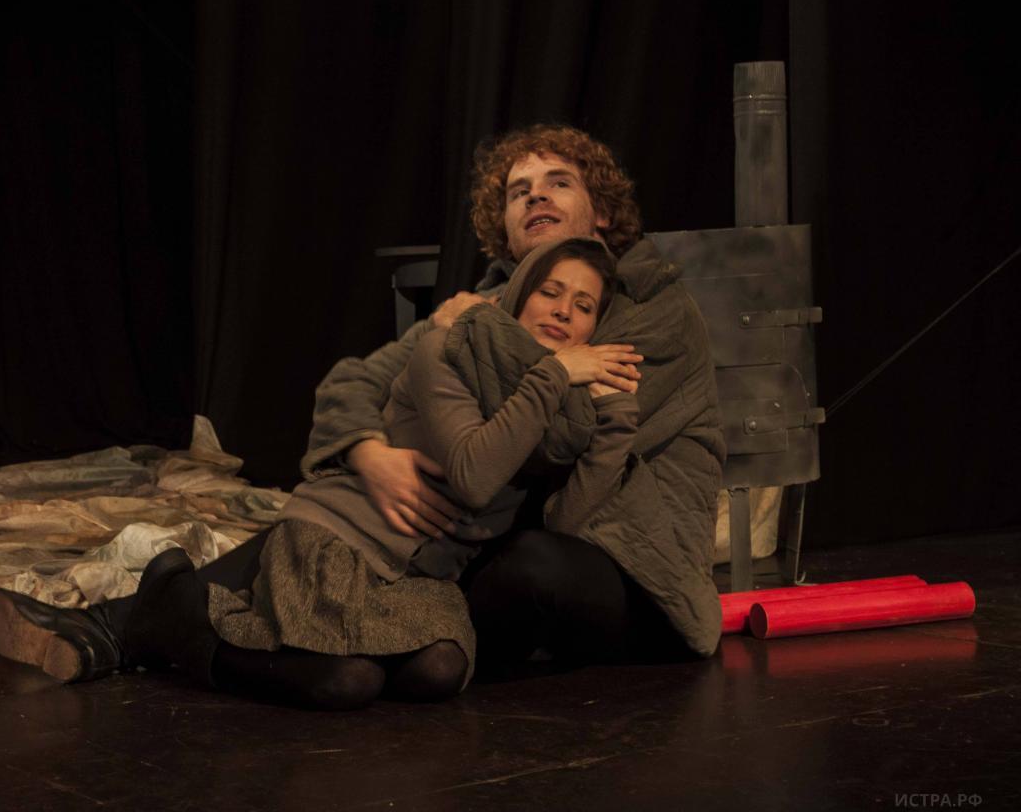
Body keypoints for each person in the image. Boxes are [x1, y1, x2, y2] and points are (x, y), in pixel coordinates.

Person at [0, 237, 640, 709]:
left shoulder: (569, 406)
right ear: (519, 295)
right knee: (346, 682)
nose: (564, 310)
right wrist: (368, 449)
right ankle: (165, 617)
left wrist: (615, 419)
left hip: (419, 572)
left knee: (437, 671)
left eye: (584, 305)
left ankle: (164, 614)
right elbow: (460, 465)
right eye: (550, 292)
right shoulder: (454, 342)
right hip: (343, 535)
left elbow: (568, 524)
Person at [303, 123, 725, 669]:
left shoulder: (652, 306)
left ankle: (375, 650)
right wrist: (370, 454)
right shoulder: (487, 306)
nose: (535, 196)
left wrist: (474, 331)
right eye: (518, 191)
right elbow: (352, 381)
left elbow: (560, 437)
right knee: (329, 548)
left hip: (631, 565)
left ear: (601, 212)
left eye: (559, 183)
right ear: (503, 226)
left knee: (529, 568)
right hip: (497, 541)